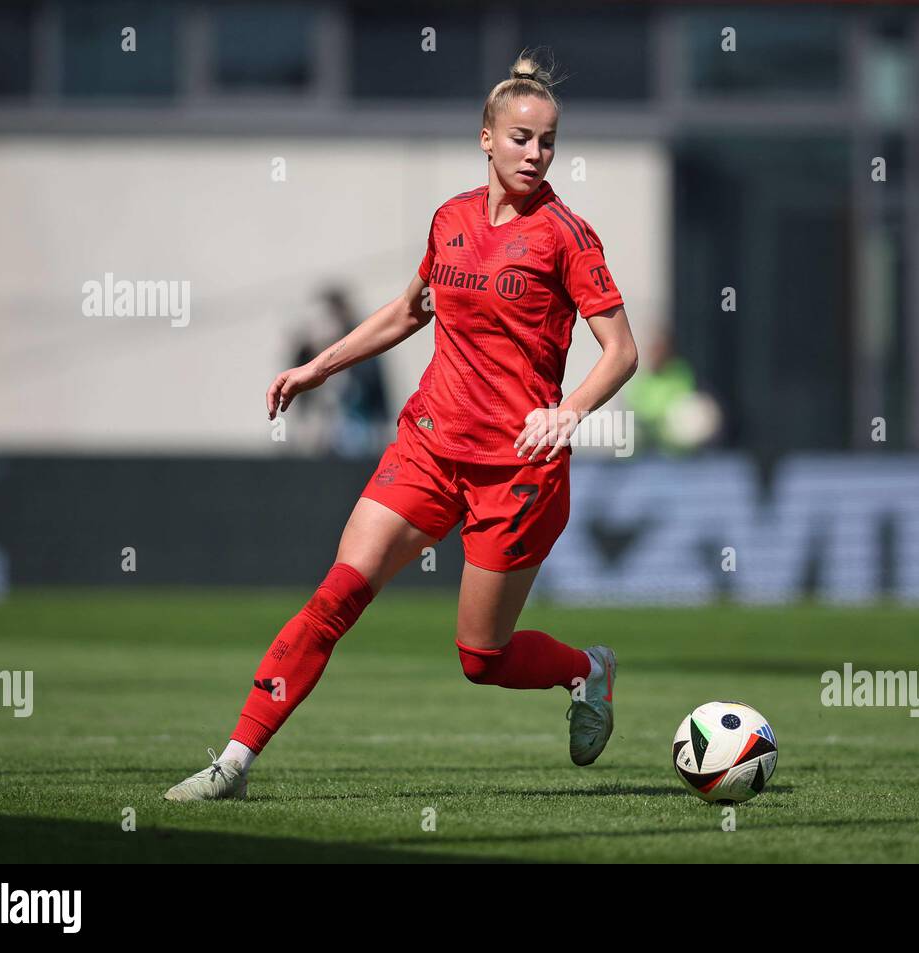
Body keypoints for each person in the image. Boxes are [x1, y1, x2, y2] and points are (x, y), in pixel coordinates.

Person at [164, 51, 639, 801]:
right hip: (428, 445)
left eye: (547, 141)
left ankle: (587, 670)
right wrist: (320, 366)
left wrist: (567, 410)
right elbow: (410, 310)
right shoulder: (449, 219)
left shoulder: (566, 236)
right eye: (520, 138)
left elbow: (623, 351)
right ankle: (233, 763)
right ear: (486, 137)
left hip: (517, 466)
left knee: (481, 658)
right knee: (335, 596)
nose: (535, 153)